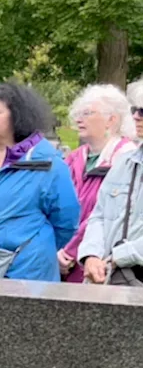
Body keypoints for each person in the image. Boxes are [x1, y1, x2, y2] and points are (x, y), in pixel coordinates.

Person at [0, 83, 79, 282]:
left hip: (25, 272)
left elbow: (66, 222)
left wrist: (31, 247)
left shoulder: (50, 166)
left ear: (17, 116)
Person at [58, 85, 138, 282]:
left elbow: (102, 215)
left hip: (102, 265)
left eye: (87, 113)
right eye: (77, 113)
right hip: (63, 259)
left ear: (112, 119)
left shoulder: (126, 160)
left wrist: (70, 252)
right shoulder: (74, 158)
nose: (78, 119)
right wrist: (55, 249)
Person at [79, 145, 144, 285]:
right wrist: (91, 255)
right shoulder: (124, 162)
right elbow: (99, 215)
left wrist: (120, 256)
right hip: (107, 281)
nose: (138, 121)